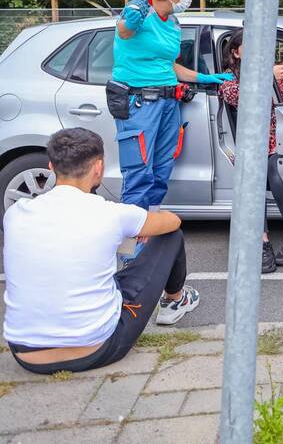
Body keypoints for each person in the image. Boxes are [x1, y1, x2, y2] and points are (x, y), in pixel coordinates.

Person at [3, 129, 199, 375]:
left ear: (51, 167)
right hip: (96, 349)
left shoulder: (16, 213)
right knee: (170, 236)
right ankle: (176, 300)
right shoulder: (112, 213)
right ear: (98, 167)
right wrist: (138, 228)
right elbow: (173, 222)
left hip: (26, 353)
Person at [112, 0, 233, 211]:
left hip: (169, 101)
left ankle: (152, 223)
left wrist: (205, 78)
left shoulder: (172, 22)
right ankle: (134, 233)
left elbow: (169, 65)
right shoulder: (138, 10)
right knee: (139, 171)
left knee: (162, 168)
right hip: (140, 102)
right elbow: (124, 32)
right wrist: (130, 22)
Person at [219, 29, 283, 273]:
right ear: (236, 53)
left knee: (274, 169)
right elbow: (235, 96)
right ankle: (262, 244)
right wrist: (266, 77)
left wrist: (274, 78)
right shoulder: (230, 80)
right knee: (253, 173)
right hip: (253, 145)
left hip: (281, 140)